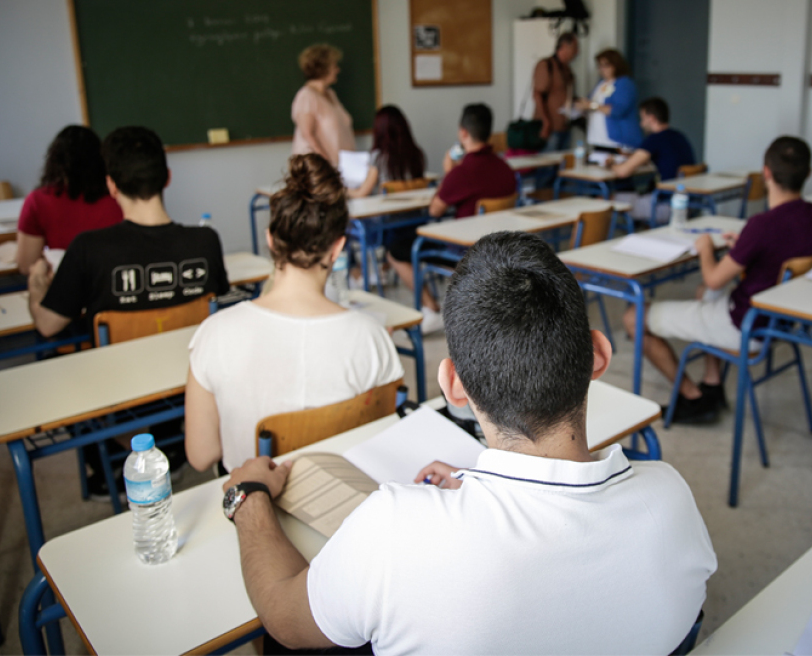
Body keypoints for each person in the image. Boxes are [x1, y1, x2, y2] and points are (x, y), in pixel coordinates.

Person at [221, 231, 717, 654]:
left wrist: (248, 500)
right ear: (599, 354)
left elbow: (285, 618)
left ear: (452, 386)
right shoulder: (670, 494)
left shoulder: (395, 530)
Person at [185, 154, 403, 475]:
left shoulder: (213, 333)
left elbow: (202, 455)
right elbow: (386, 444)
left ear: (270, 240)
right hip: (346, 510)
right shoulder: (371, 338)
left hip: (251, 512)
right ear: (337, 248)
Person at [624, 136, 812, 424]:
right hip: (778, 322)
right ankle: (712, 382)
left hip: (743, 324)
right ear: (809, 174)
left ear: (765, 172)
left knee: (634, 317)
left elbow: (715, 278)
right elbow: (776, 255)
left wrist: (706, 249)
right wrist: (743, 247)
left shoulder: (762, 226)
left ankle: (692, 398)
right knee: (702, 291)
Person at [27, 125, 229, 339]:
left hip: (118, 371)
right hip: (190, 366)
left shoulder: (88, 249)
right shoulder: (206, 241)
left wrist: (36, 281)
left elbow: (47, 325)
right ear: (167, 178)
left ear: (111, 186)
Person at [385, 103, 517, 333]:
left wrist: (449, 173)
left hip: (463, 251)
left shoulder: (461, 173)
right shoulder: (505, 168)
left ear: (463, 133)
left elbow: (435, 211)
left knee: (396, 249)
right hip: (499, 249)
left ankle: (431, 308)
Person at [15, 125, 123, 275]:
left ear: (55, 161)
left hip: (64, 286)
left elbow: (26, 265)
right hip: (115, 284)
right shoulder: (119, 196)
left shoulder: (38, 201)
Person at [290, 43, 355, 168]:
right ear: (323, 68)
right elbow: (308, 134)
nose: (338, 70)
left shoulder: (331, 94)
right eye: (334, 66)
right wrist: (327, 163)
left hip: (340, 169)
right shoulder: (306, 96)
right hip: (319, 171)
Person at [346, 105, 427, 199]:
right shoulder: (417, 153)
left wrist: (342, 190)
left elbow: (361, 193)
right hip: (414, 210)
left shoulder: (378, 157)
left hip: (387, 211)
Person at [610, 97, 695, 182]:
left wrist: (611, 165)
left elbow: (623, 172)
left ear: (651, 118)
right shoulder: (679, 136)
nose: (641, 124)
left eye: (643, 119)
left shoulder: (655, 139)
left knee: (610, 194)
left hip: (667, 192)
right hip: (686, 191)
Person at [577, 48, 641, 150]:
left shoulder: (624, 83)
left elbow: (618, 110)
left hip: (616, 141)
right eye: (600, 66)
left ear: (615, 65)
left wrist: (591, 106)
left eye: (606, 65)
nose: (602, 69)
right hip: (598, 138)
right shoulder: (601, 83)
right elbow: (589, 101)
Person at [531, 31, 579, 152]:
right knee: (547, 167)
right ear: (563, 47)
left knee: (562, 167)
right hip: (550, 129)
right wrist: (546, 122)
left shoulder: (566, 68)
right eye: (575, 48)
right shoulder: (546, 65)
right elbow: (537, 94)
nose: (577, 52)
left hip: (565, 127)